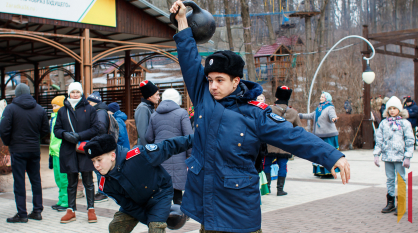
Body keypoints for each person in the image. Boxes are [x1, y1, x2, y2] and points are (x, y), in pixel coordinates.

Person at [170, 1, 350, 232]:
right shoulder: (203, 97)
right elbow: (188, 57)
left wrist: (332, 155)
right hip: (208, 210)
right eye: (210, 80)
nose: (213, 86)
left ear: (236, 81)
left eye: (220, 80)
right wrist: (182, 20)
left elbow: (293, 136)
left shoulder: (256, 114)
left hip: (239, 214)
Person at [84, 134, 194, 233]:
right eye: (93, 161)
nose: (96, 165)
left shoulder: (138, 156)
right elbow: (128, 206)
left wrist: (195, 139)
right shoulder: (105, 184)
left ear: (113, 156)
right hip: (136, 203)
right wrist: (149, 218)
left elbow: (168, 146)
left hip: (159, 194)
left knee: (156, 228)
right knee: (115, 228)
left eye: (99, 160)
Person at [0, 83, 49, 223]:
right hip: (34, 149)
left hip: (18, 150)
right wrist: (36, 139)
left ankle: (22, 214)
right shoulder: (39, 109)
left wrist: (10, 142)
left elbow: (3, 129)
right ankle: (37, 211)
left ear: (16, 94)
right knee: (36, 180)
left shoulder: (10, 109)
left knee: (19, 182)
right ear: (29, 93)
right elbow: (45, 129)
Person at [54, 82, 99, 224]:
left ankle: (91, 209)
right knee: (71, 182)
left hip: (84, 149)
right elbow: (56, 130)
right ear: (68, 93)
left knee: (88, 181)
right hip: (68, 150)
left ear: (81, 93)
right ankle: (71, 210)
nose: (75, 94)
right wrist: (65, 134)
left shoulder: (89, 109)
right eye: (72, 92)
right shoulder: (62, 111)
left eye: (77, 92)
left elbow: (96, 128)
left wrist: (79, 136)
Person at [145, 88, 193, 205]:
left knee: (163, 191)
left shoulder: (154, 115)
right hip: (178, 156)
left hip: (160, 156)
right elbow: (190, 138)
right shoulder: (182, 113)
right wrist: (190, 156)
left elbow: (148, 137)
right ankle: (178, 217)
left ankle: (163, 216)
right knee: (177, 192)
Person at [373, 96, 413, 214]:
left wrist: (407, 156)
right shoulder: (384, 123)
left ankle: (401, 204)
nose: (392, 111)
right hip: (387, 156)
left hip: (400, 158)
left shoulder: (405, 123)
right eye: (390, 108)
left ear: (399, 109)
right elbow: (379, 139)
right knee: (390, 179)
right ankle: (390, 202)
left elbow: (410, 140)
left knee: (401, 179)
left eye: (394, 108)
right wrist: (376, 154)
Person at [266, 86, 302, 196]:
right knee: (283, 166)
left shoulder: (269, 109)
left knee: (267, 165)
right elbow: (299, 129)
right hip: (285, 144)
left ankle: (266, 188)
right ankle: (280, 190)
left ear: (277, 97)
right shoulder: (293, 112)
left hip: (270, 142)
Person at [299, 92, 340, 176]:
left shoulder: (330, 107)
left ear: (327, 98)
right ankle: (320, 171)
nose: (320, 98)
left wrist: (334, 119)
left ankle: (329, 172)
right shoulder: (319, 109)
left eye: (322, 97)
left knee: (328, 153)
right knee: (319, 152)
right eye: (320, 97)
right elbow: (311, 115)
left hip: (329, 135)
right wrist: (299, 115)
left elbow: (332, 115)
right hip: (320, 135)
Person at [87, 91, 110, 202]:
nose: (87, 103)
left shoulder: (100, 112)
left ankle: (103, 193)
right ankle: (103, 191)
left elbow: (100, 128)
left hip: (99, 144)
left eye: (89, 101)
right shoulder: (98, 111)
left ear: (94, 102)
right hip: (99, 143)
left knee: (100, 169)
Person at [49, 95, 68, 212]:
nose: (53, 108)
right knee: (57, 177)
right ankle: (61, 199)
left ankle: (65, 201)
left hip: (61, 151)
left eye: (56, 105)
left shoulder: (62, 117)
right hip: (54, 151)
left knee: (63, 178)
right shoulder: (53, 118)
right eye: (52, 106)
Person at [135, 80, 160, 146]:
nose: (159, 97)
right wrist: (150, 150)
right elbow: (143, 134)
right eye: (157, 95)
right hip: (146, 149)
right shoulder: (143, 109)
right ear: (150, 96)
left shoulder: (149, 107)